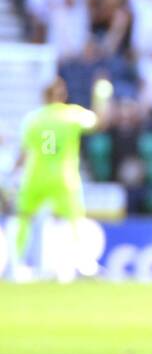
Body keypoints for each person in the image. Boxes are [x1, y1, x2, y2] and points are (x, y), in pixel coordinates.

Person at [10, 77, 108, 280]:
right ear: (63, 95)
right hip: (64, 177)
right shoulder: (71, 114)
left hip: (35, 176)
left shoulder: (33, 118)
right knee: (74, 221)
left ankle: (14, 264)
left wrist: (12, 172)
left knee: (23, 219)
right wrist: (101, 96)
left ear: (43, 97)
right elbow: (100, 122)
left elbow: (24, 152)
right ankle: (84, 265)